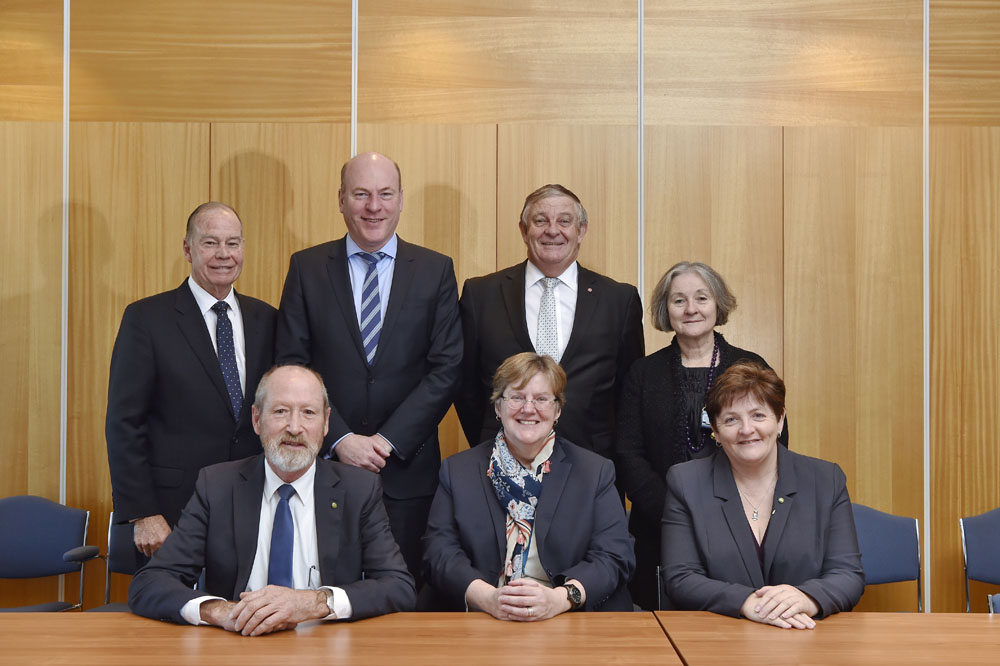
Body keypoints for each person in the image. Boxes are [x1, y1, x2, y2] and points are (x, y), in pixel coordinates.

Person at [275, 152, 462, 585]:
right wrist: (338, 437)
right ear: (341, 199)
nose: (373, 207)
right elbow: (291, 365)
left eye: (384, 195)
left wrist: (386, 441)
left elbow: (446, 368)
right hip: (323, 467)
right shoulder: (307, 268)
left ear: (400, 200)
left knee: (403, 596)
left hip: (406, 472)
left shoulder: (435, 270)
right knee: (323, 593)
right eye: (361, 194)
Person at [128, 365, 416, 633]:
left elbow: (398, 586)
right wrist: (222, 611)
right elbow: (149, 583)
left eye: (308, 413)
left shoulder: (359, 489)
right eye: (280, 411)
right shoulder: (217, 486)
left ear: (326, 423)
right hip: (240, 643)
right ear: (256, 419)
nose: (294, 427)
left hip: (325, 645)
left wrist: (314, 603)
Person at [106, 202, 277, 560]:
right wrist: (143, 513)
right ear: (187, 249)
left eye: (233, 243)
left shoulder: (269, 319)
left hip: (254, 507)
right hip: (171, 513)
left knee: (245, 614)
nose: (223, 255)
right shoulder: (146, 319)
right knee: (171, 613)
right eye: (210, 243)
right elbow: (124, 424)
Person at [614, 261, 788, 610]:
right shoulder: (644, 373)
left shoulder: (750, 366)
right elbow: (628, 453)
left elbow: (774, 444)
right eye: (679, 301)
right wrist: (674, 511)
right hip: (660, 527)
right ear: (666, 311)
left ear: (717, 304)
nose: (691, 309)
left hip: (743, 526)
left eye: (701, 298)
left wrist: (726, 511)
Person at [423, 352, 635, 618]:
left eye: (542, 399)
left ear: (557, 410)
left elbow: (615, 556)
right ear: (498, 408)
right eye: (517, 397)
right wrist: (488, 599)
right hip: (483, 615)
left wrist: (560, 599)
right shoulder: (458, 470)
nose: (528, 408)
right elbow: (439, 552)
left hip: (567, 615)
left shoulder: (595, 472)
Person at [661, 361, 863, 628]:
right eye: (732, 419)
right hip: (719, 637)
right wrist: (746, 603)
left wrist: (806, 598)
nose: (747, 429)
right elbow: (681, 577)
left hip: (806, 635)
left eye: (758, 415)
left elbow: (847, 574)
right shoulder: (686, 482)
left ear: (780, 420)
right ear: (716, 432)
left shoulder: (826, 480)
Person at [456, 184, 644, 465]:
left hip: (591, 467)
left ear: (581, 230)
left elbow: (629, 394)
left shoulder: (619, 299)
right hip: (499, 462)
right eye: (540, 221)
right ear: (523, 230)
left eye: (564, 221)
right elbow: (465, 386)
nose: (552, 230)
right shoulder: (481, 294)